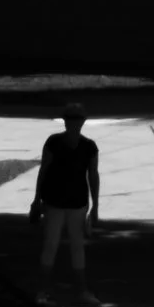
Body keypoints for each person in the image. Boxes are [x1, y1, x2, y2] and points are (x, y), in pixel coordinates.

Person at [32, 108, 100, 293]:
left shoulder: (89, 146)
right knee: (51, 244)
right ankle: (43, 290)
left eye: (77, 119)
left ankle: (82, 290)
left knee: (78, 245)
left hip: (78, 202)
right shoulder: (53, 142)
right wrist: (37, 198)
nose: (73, 123)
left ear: (83, 121)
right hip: (54, 201)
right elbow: (44, 169)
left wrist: (95, 206)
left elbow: (93, 175)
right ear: (65, 121)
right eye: (70, 119)